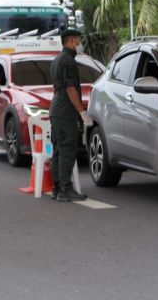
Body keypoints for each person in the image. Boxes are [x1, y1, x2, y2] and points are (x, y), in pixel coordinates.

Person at [49, 29, 91, 202]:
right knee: (67, 150)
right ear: (72, 40)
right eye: (79, 40)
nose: (80, 44)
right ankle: (66, 189)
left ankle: (58, 188)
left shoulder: (58, 59)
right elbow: (71, 88)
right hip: (65, 112)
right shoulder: (69, 62)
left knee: (58, 150)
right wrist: (82, 111)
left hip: (57, 110)